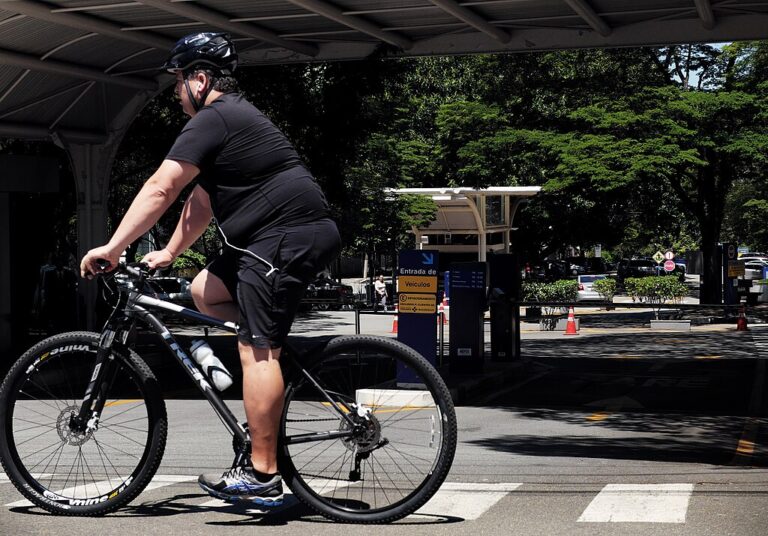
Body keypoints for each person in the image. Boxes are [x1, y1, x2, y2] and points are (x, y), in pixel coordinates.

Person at [79, 32, 340, 506]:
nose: (176, 93)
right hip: (279, 236)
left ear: (200, 80)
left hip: (284, 235)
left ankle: (262, 476)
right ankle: (272, 359)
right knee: (205, 290)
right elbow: (199, 202)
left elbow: (162, 187)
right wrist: (170, 253)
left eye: (178, 82)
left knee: (255, 350)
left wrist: (115, 247)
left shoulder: (214, 118)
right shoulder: (229, 121)